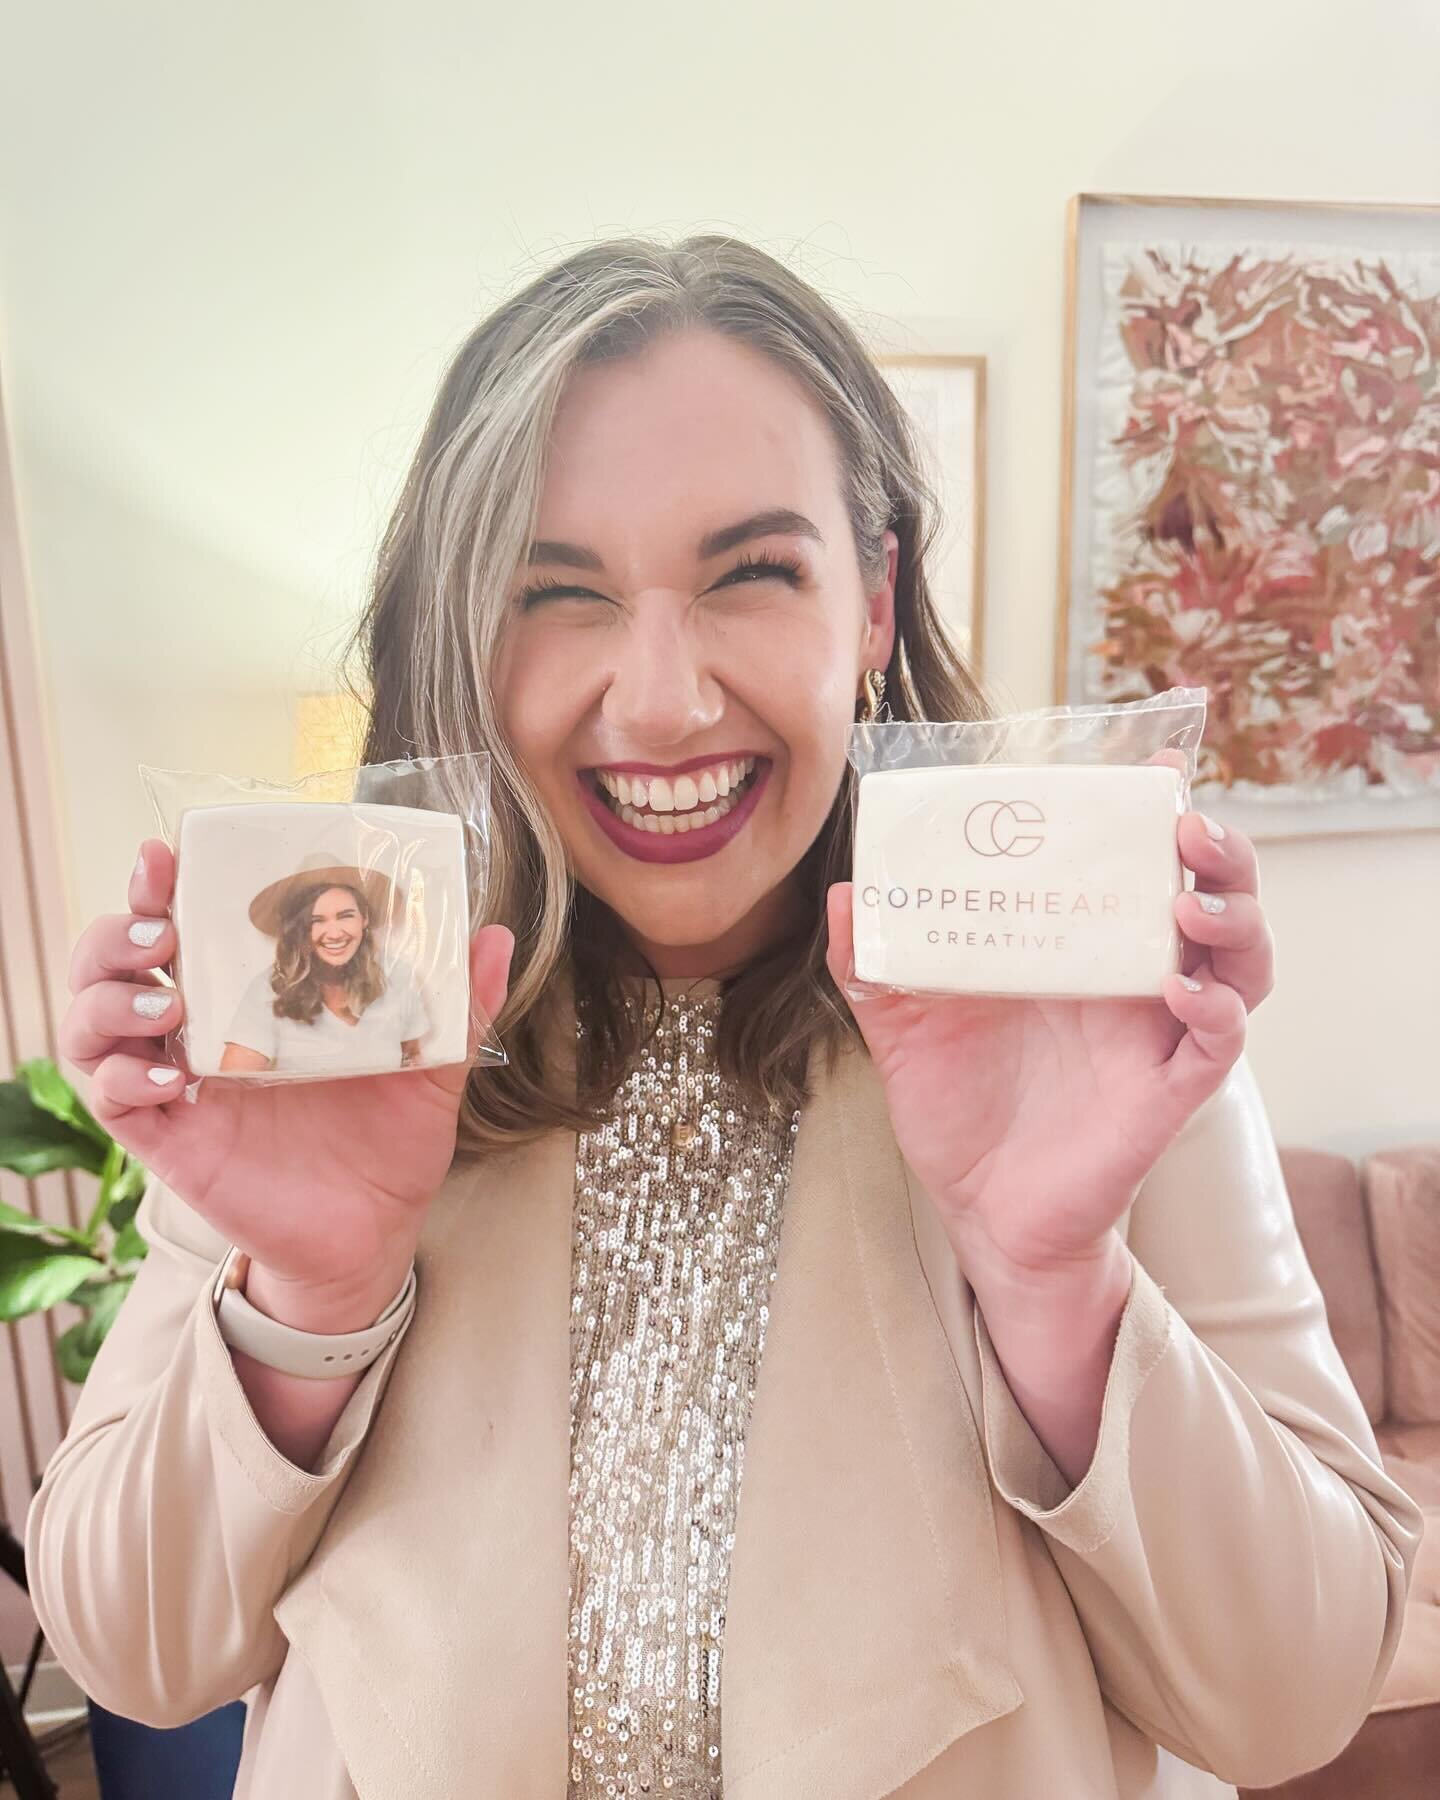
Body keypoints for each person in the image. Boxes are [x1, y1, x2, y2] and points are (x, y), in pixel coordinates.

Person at [29, 237, 1423, 1800]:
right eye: (553, 596)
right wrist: (306, 1296)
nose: (663, 699)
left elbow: (1297, 1698)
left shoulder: (1082, 1026)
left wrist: (1055, 1289)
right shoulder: (334, 1031)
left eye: (754, 574)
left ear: (875, 599)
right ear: (463, 640)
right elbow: (133, 1651)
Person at [219, 855, 431, 1076]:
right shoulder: (269, 988)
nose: (335, 933)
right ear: (298, 929)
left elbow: (413, 1058)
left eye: (345, 916)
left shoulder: (397, 974)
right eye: (316, 921)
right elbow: (235, 1084)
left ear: (364, 918)